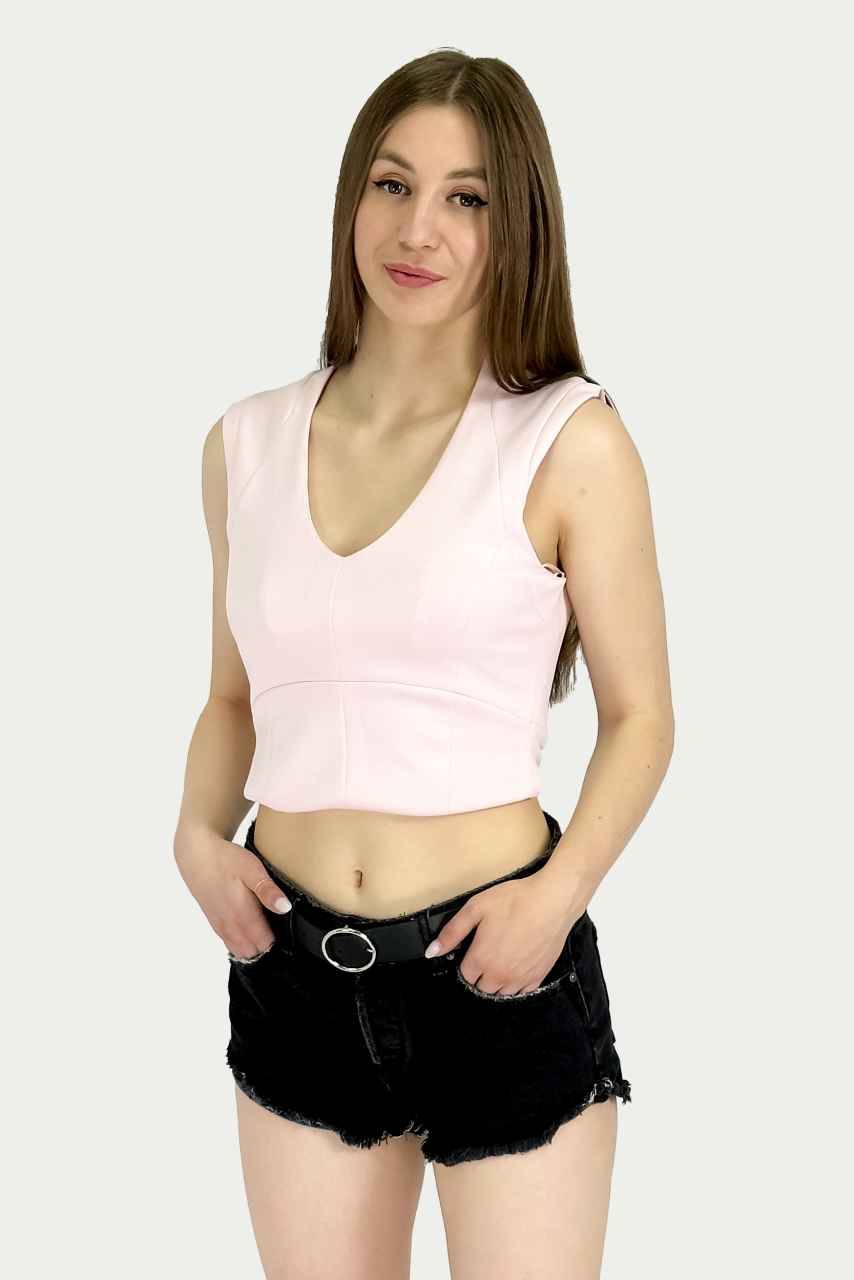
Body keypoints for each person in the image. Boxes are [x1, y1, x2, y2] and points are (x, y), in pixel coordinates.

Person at [174, 48, 674, 1280]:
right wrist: (194, 832)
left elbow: (641, 715)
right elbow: (234, 696)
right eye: (391, 184)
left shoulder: (569, 441)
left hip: (500, 970)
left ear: (517, 225)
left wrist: (557, 897)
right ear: (352, 197)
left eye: (466, 198)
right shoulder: (244, 443)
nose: (417, 229)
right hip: (294, 974)